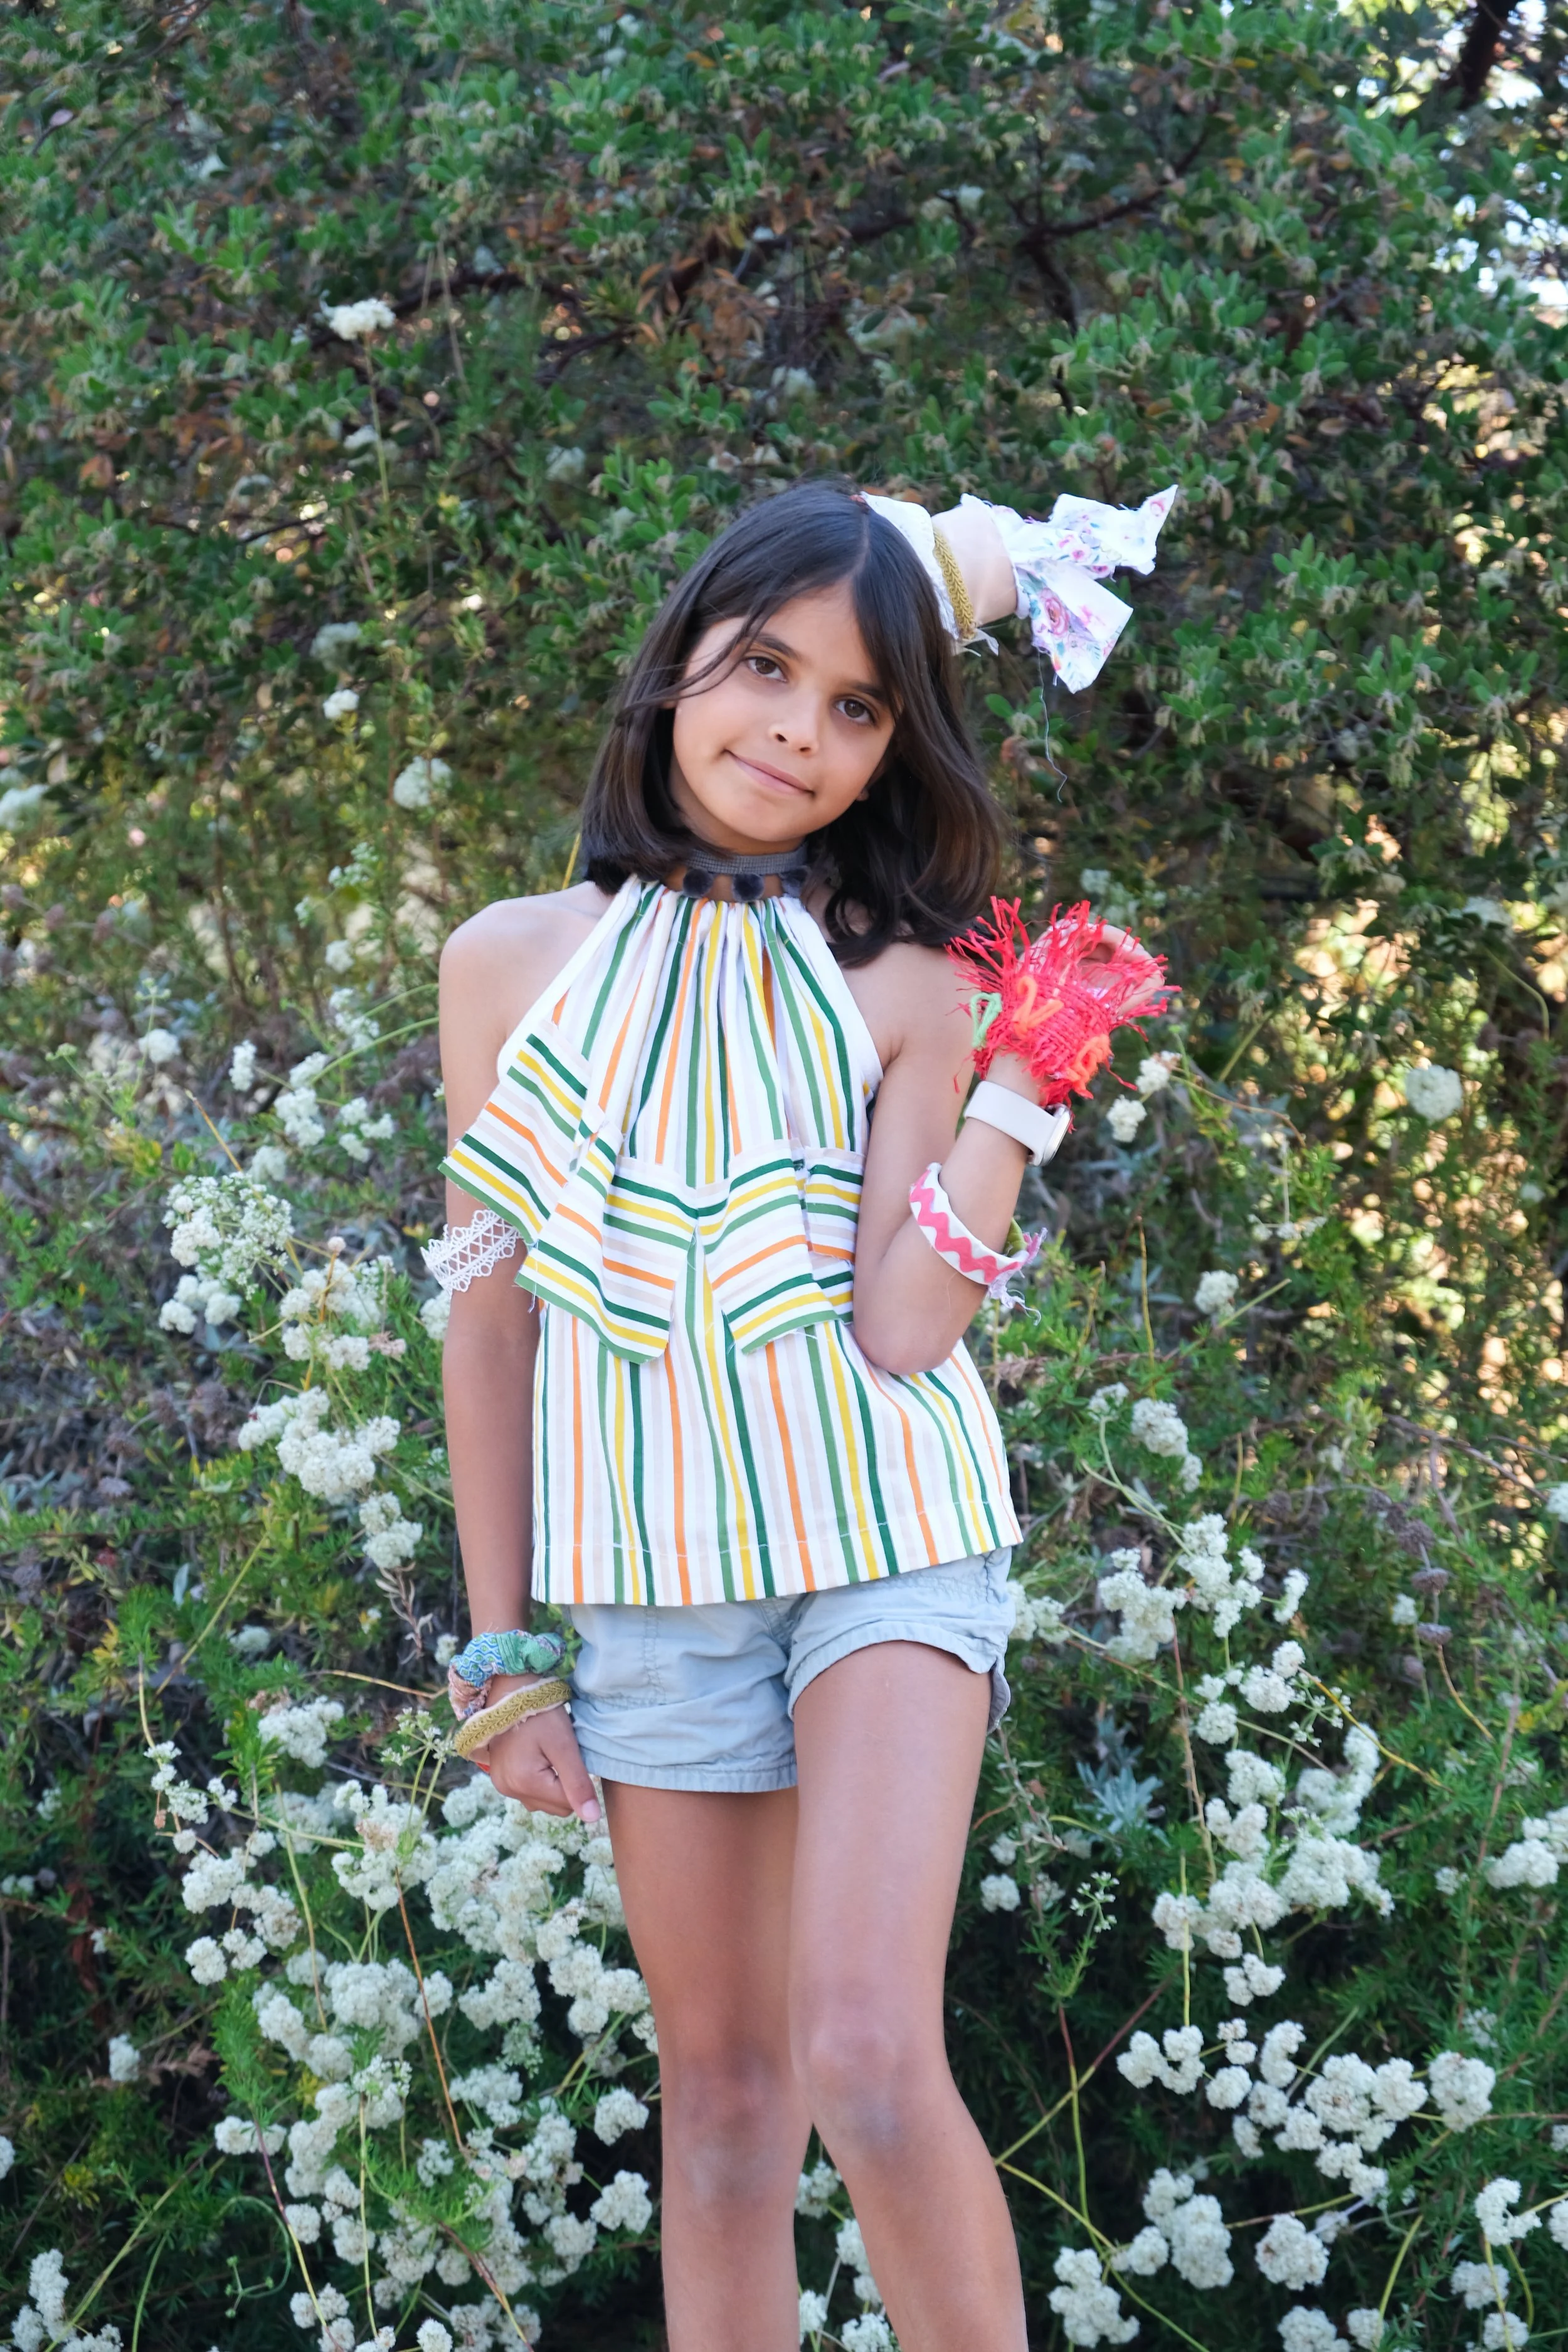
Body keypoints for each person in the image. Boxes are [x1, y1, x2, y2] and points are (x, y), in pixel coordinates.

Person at [432, 475, 1172, 2352]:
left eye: (856, 706)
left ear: (893, 743)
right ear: (682, 653)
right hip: (648, 1578)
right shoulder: (507, 966)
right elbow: (490, 1318)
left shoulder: (916, 977)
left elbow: (908, 1329)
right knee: (732, 2101)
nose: (797, 730)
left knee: (859, 2047)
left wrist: (1023, 1089)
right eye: (766, 668)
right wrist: (501, 1643)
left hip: (888, 1543)